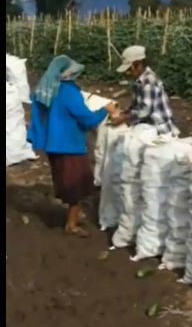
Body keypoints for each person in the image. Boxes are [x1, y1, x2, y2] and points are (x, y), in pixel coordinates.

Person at [27, 55, 124, 237]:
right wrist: (106, 109)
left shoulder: (48, 88)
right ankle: (71, 225)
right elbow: (87, 118)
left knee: (66, 180)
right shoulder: (68, 92)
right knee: (76, 184)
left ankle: (74, 216)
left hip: (53, 144)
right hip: (69, 145)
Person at [116, 45, 179, 136]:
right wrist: (125, 112)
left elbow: (145, 110)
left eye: (130, 69)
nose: (127, 73)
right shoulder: (140, 81)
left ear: (138, 64)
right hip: (147, 126)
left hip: (159, 128)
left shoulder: (149, 82)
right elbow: (137, 105)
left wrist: (124, 118)